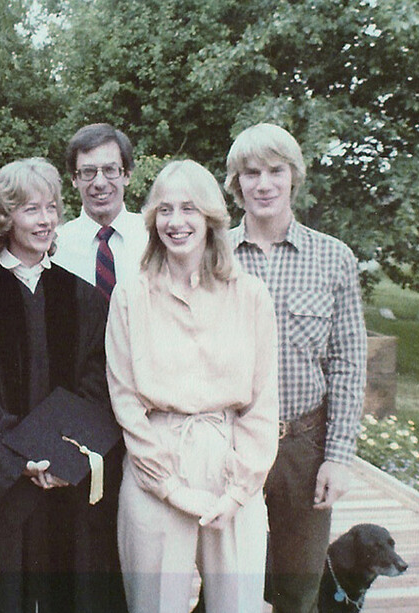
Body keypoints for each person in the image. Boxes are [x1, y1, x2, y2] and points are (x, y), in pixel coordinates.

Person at [0, 158, 128, 613]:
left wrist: (64, 455)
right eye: (30, 209)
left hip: (68, 484)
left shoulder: (82, 298)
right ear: (4, 218)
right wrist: (23, 459)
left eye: (52, 207)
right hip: (2, 489)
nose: (45, 219)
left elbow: (98, 386)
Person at [106, 160, 279, 613]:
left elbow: (263, 405)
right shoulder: (130, 297)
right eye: (165, 210)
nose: (176, 222)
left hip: (231, 461)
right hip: (156, 467)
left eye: (188, 209)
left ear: (211, 219)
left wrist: (239, 491)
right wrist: (170, 487)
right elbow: (125, 401)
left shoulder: (251, 296)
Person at [224, 123, 368, 613]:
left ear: (294, 178)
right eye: (251, 172)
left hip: (303, 445)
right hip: (230, 438)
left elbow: (349, 362)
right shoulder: (211, 253)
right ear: (236, 182)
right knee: (227, 580)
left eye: (275, 171)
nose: (263, 184)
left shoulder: (333, 258)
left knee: (299, 589)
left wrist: (339, 455)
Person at [53, 123, 148, 300]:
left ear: (126, 175)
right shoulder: (55, 247)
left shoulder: (153, 238)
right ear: (74, 179)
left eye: (110, 170)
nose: (100, 183)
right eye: (88, 172)